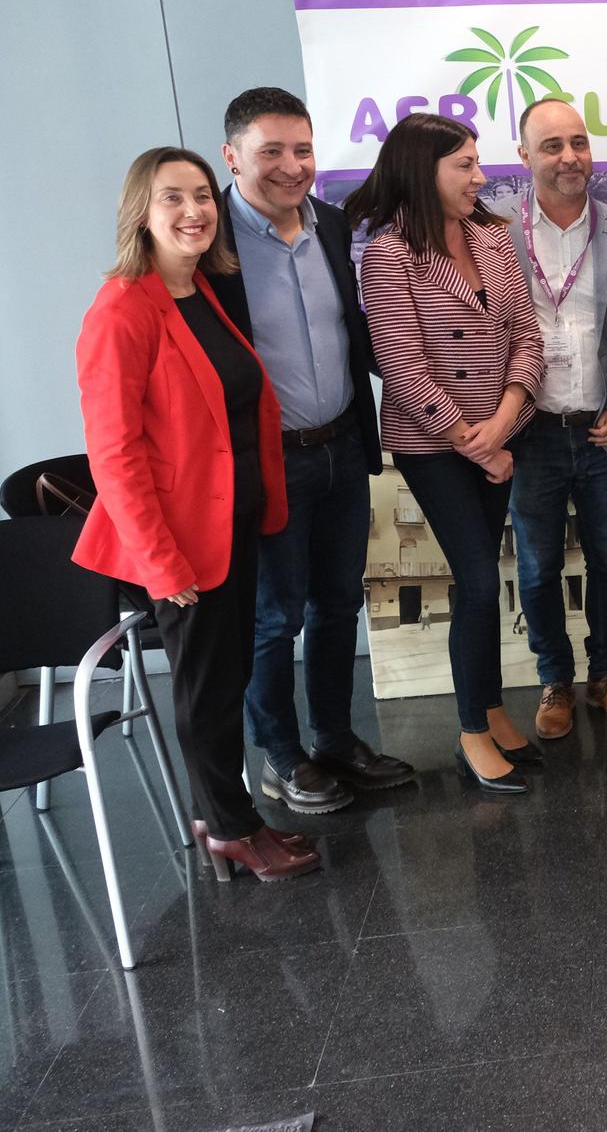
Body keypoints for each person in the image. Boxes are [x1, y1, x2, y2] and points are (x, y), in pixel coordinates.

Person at [73, 148, 318, 881]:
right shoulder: (121, 309)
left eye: (203, 196)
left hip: (232, 526)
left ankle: (224, 811)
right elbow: (114, 456)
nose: (194, 212)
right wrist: (158, 562)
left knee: (227, 671)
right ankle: (229, 827)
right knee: (207, 689)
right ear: (140, 214)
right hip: (179, 546)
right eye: (172, 198)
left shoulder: (199, 289)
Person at [210, 87, 414, 817]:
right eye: (272, 152)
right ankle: (281, 756)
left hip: (341, 446)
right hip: (270, 464)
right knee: (275, 619)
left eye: (302, 149)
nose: (292, 166)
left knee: (336, 605)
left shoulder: (331, 225)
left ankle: (333, 739)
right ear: (231, 156)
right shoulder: (210, 245)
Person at [352, 113, 546, 794]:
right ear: (421, 169)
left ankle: (492, 706)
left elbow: (527, 338)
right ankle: (469, 732)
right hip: (433, 444)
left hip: (499, 432)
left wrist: (503, 423)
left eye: (476, 162)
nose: (480, 176)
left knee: (482, 578)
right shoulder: (388, 254)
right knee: (478, 579)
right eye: (463, 164)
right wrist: (472, 440)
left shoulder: (492, 238)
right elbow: (401, 368)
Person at [503, 97, 607, 741]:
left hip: (602, 430)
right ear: (525, 155)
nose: (569, 158)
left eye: (579, 143)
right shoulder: (496, 231)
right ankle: (553, 679)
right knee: (536, 568)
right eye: (553, 146)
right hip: (531, 431)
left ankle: (606, 674)